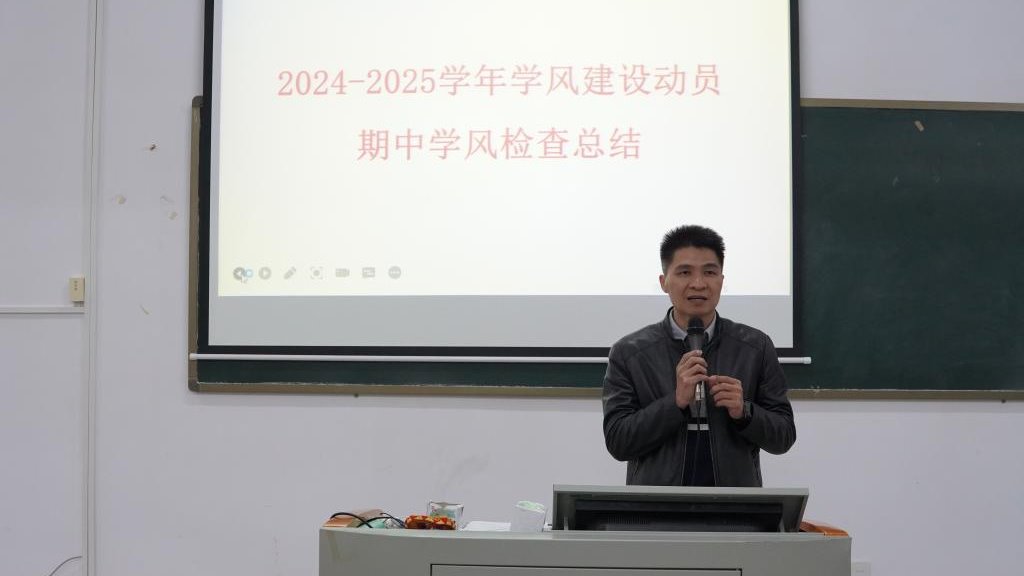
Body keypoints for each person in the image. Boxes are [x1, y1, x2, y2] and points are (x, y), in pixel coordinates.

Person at [602, 225, 795, 486]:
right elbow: (618, 442)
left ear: (721, 281)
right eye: (684, 272)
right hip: (658, 503)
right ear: (664, 282)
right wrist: (675, 402)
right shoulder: (629, 353)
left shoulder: (755, 347)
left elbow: (784, 436)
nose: (698, 284)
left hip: (735, 503)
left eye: (709, 272)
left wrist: (745, 411)